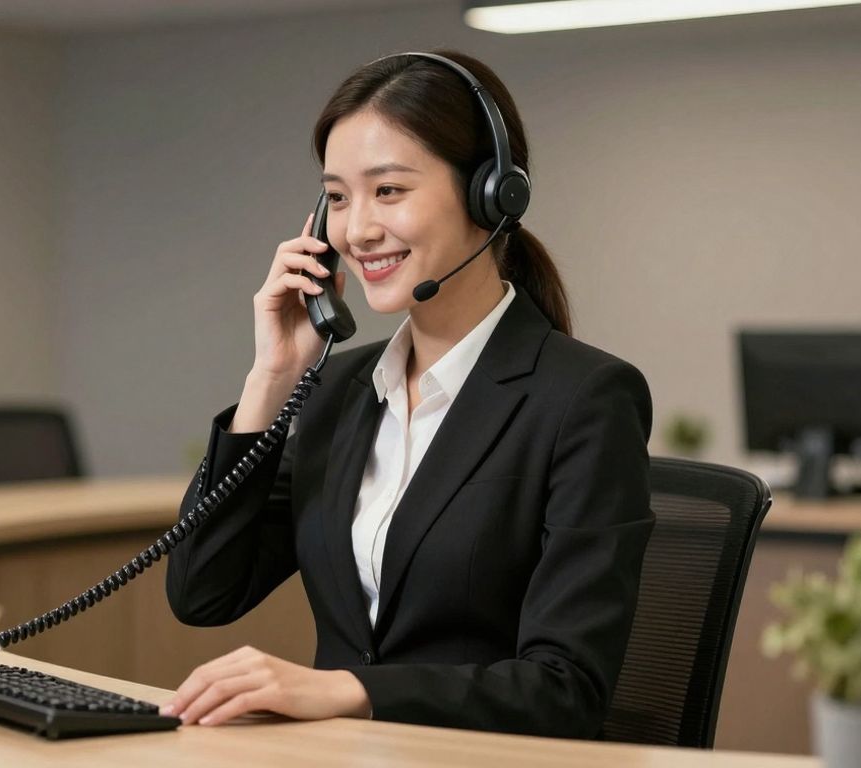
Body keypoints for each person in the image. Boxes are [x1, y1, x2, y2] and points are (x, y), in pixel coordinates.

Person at [160, 49, 655, 740]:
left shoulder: (584, 400)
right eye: (336, 197)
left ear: (491, 194)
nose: (357, 230)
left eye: (387, 191)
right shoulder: (336, 390)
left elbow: (565, 689)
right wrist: (269, 378)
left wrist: (349, 689)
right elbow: (202, 592)